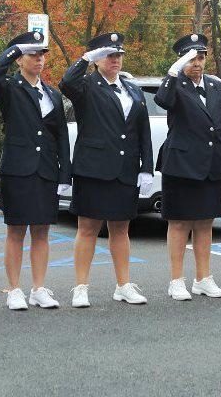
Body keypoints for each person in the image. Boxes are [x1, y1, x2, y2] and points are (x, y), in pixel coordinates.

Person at [59, 32, 153, 308]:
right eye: (109, 55)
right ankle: (81, 286)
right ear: (98, 59)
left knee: (121, 228)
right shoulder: (86, 86)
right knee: (87, 228)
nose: (115, 59)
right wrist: (86, 58)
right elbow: (66, 82)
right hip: (95, 168)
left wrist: (145, 167)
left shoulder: (132, 88)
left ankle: (123, 284)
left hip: (125, 170)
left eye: (118, 55)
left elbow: (142, 132)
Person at [0, 31, 70, 310]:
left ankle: (38, 288)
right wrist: (14, 48)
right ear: (20, 59)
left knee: (42, 231)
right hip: (19, 169)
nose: (39, 59)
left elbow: (60, 136)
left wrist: (64, 174)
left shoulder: (52, 94)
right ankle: (14, 289)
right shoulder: (10, 87)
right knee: (16, 230)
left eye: (41, 54)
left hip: (46, 169)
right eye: (32, 54)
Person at [154, 33, 221, 301]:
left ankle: (203, 278)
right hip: (181, 164)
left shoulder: (215, 86)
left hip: (212, 164)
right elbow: (163, 101)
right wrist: (173, 72)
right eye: (191, 59)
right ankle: (176, 280)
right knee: (179, 223)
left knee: (205, 222)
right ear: (182, 62)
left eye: (201, 57)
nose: (197, 63)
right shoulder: (174, 84)